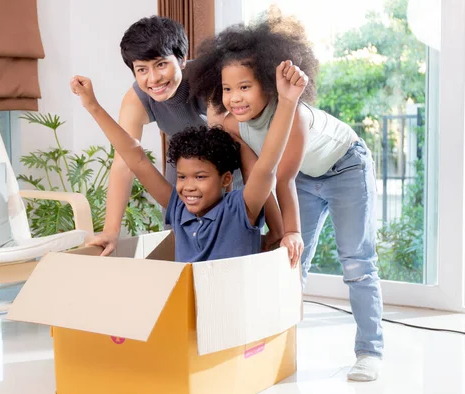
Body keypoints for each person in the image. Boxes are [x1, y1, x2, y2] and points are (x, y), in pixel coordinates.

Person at [188, 10, 383, 381]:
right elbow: (258, 177)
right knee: (291, 261)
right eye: (227, 89)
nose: (234, 98)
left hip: (346, 167)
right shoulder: (233, 125)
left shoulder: (293, 116)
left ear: (266, 82)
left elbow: (283, 179)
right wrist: (281, 234)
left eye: (244, 87)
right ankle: (280, 346)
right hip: (303, 179)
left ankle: (369, 351)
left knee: (357, 261)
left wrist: (289, 228)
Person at [70, 59, 307, 262]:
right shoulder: (178, 207)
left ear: (226, 179)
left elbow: (266, 166)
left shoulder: (240, 208)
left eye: (200, 177)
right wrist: (93, 106)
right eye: (182, 176)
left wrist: (287, 102)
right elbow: (136, 158)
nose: (188, 186)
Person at [86, 15, 284, 256]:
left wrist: (276, 226)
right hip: (183, 159)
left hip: (226, 159)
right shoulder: (136, 99)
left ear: (181, 60)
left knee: (230, 232)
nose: (153, 78)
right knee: (179, 227)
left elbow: (246, 159)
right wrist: (111, 231)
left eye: (161, 64)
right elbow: (126, 163)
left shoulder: (208, 81)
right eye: (142, 69)